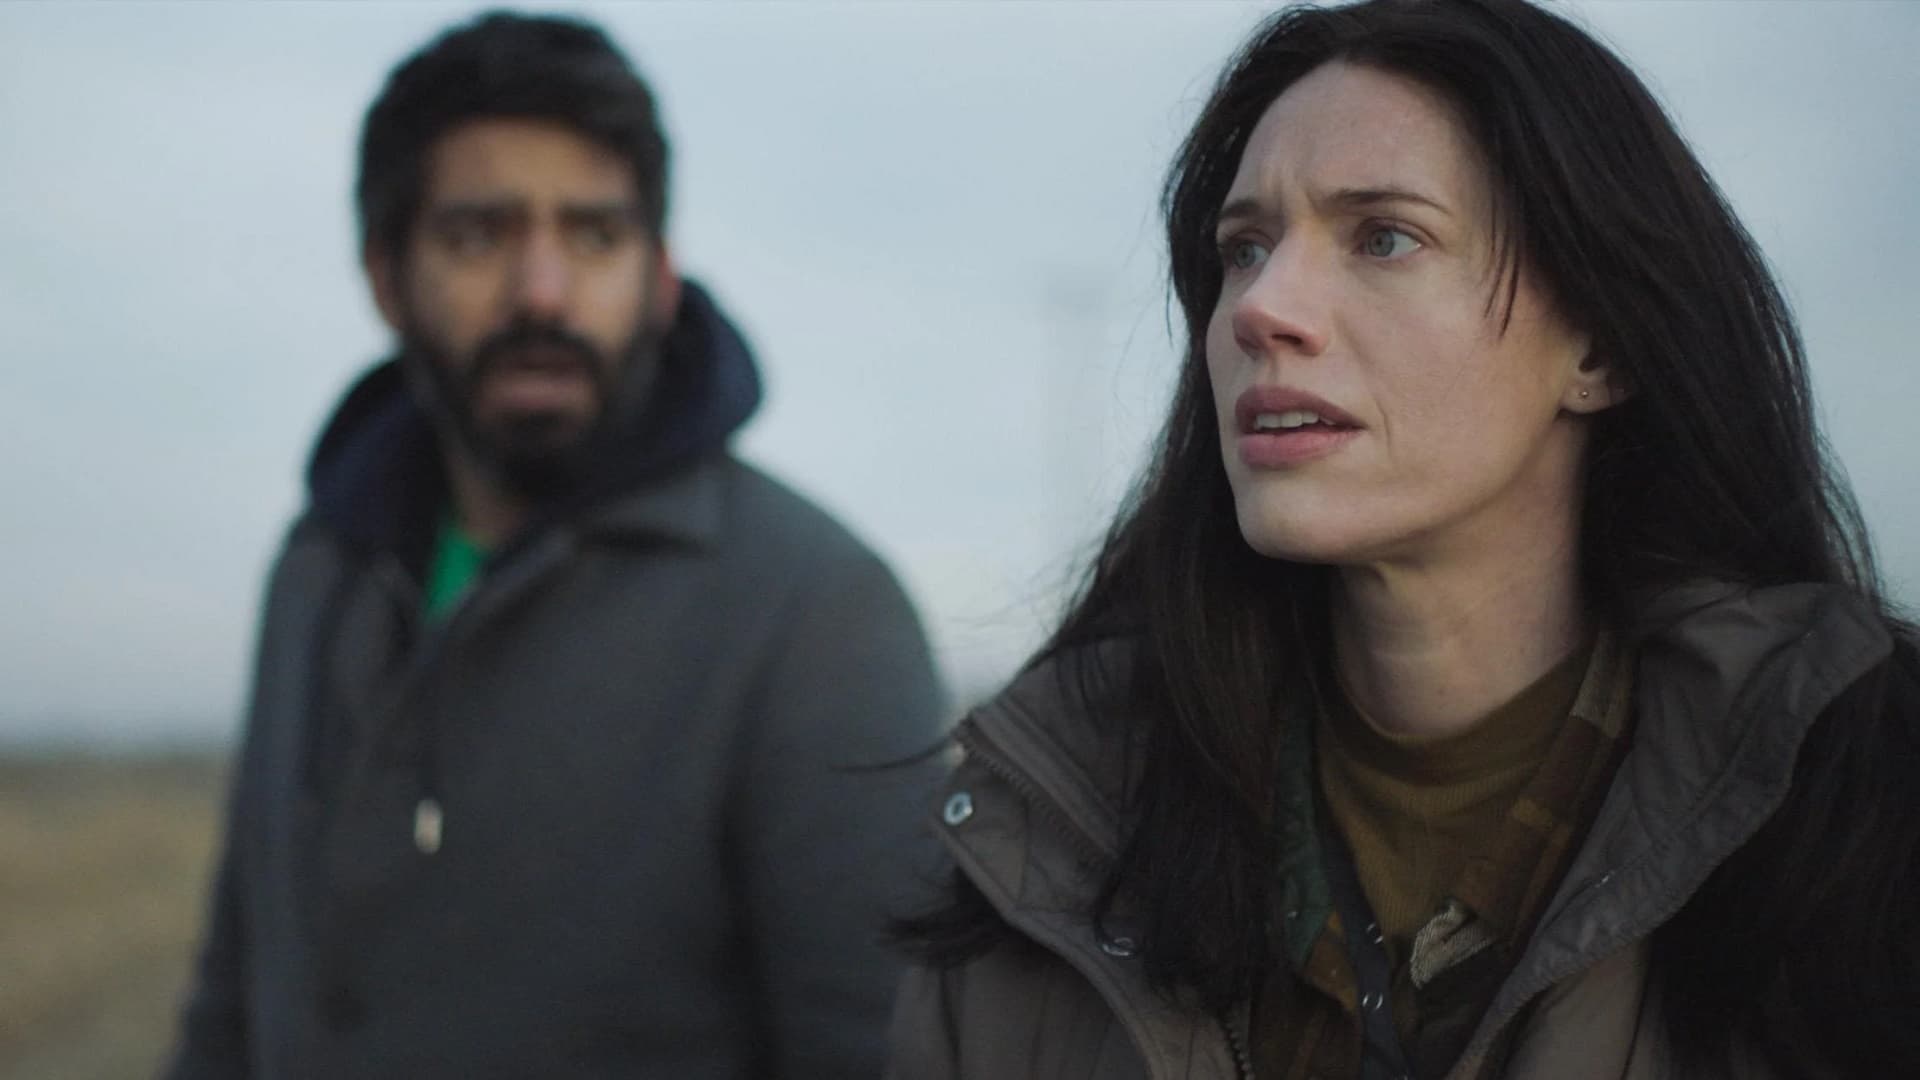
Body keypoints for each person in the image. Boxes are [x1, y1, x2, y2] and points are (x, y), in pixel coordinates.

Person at [887, 0, 1919, 1077]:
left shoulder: (1865, 826)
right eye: (1244, 248)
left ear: (1600, 345)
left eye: (1384, 236)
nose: (1262, 308)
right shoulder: (1057, 835)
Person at [165, 11, 946, 1078]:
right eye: (478, 234)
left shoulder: (816, 614)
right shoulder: (319, 566)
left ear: (659, 276)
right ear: (387, 275)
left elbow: (880, 1056)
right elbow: (234, 998)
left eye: (594, 235)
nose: (541, 291)